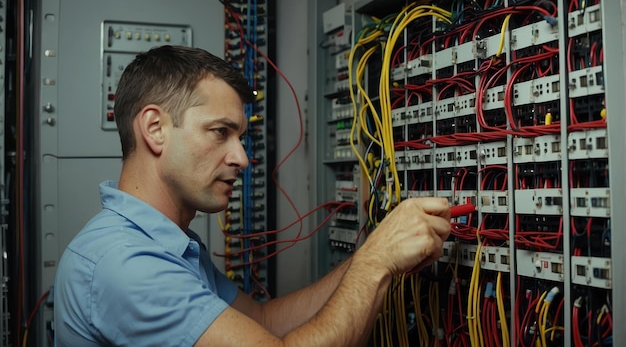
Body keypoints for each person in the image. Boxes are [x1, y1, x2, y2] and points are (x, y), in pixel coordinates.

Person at [54, 45, 451, 346]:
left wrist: (372, 252)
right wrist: (376, 262)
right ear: (155, 128)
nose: (242, 158)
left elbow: (264, 320)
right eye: (220, 132)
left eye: (240, 137)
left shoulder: (167, 244)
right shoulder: (125, 265)